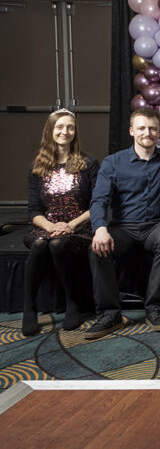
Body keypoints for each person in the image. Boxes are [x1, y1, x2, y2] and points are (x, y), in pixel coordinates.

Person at [87, 107, 160, 340]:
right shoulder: (112, 162)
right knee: (96, 248)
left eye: (152, 128)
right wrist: (100, 229)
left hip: (158, 224)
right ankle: (110, 313)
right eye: (141, 128)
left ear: (159, 132)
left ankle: (155, 308)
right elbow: (99, 200)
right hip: (123, 227)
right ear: (131, 131)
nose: (147, 132)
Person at [22, 109, 99, 336]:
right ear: (50, 131)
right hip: (47, 226)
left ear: (75, 132)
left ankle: (71, 302)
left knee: (57, 244)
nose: (64, 131)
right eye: (59, 127)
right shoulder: (37, 166)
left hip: (80, 226)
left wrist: (71, 225)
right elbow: (34, 211)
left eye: (70, 127)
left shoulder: (88, 163)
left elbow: (98, 204)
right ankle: (29, 307)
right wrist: (51, 226)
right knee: (40, 244)